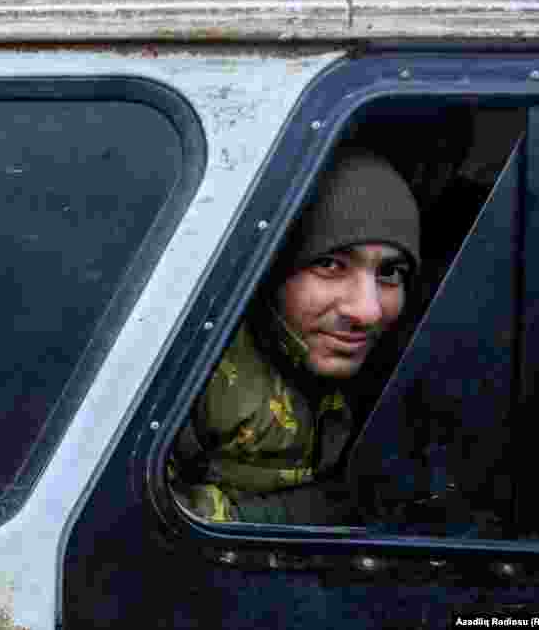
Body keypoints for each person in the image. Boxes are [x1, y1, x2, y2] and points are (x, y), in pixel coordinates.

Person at [170, 147, 420, 525]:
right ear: (271, 271)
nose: (368, 311)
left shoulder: (406, 367)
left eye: (390, 273)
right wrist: (317, 508)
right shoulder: (192, 374)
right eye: (330, 264)